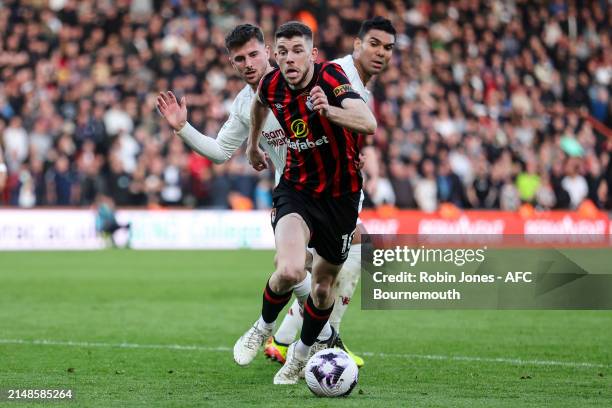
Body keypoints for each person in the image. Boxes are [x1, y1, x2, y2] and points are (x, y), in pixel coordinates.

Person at [241, 21, 376, 384]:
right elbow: (258, 104)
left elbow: (368, 122)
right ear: (275, 55)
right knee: (288, 268)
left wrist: (329, 111)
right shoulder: (271, 84)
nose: (289, 59)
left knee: (321, 288)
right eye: (282, 52)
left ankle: (300, 355)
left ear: (312, 54)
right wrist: (253, 144)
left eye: (297, 50)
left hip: (340, 198)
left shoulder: (331, 78)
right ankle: (262, 328)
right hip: (296, 189)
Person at [264, 16, 395, 367]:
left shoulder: (359, 83)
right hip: (311, 184)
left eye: (388, 48)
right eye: (374, 44)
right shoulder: (337, 73)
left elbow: (349, 124)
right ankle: (316, 338)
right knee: (336, 256)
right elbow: (294, 116)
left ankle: (295, 339)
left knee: (324, 265)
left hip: (337, 181)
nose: (381, 53)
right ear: (357, 45)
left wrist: (352, 147)